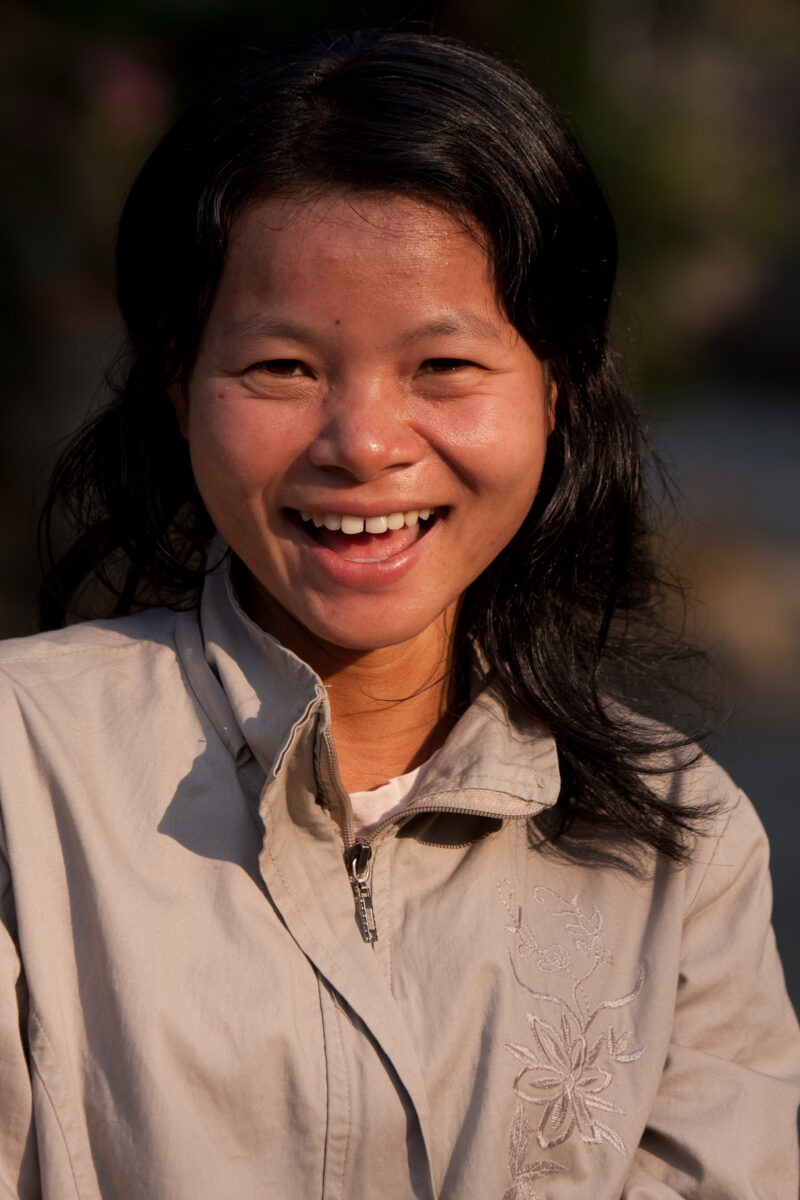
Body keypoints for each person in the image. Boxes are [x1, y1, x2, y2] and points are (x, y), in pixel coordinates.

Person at [1, 29, 798, 1200]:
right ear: (179, 387)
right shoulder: (19, 774)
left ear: (554, 387)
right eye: (281, 367)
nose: (364, 443)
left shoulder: (682, 846)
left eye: (442, 367)